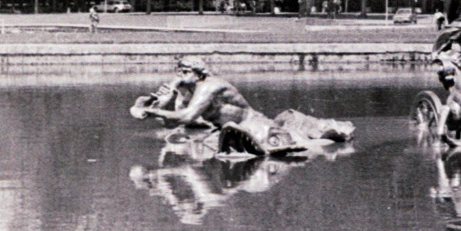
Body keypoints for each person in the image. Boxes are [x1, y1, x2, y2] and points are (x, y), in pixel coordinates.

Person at [130, 57, 354, 155]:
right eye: (178, 71)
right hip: (226, 130)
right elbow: (171, 123)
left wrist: (151, 111)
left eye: (185, 71)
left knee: (291, 143)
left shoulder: (211, 85)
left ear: (199, 72)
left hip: (251, 125)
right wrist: (165, 99)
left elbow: (187, 117)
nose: (180, 75)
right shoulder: (187, 91)